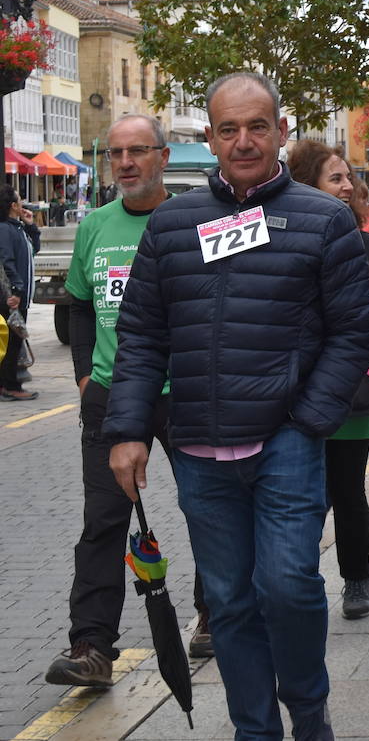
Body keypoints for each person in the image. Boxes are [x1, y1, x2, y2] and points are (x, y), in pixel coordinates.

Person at [104, 72, 369, 741]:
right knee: (227, 601)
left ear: (283, 132)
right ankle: (255, 730)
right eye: (229, 128)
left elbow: (353, 332)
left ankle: (308, 713)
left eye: (258, 126)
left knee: (288, 585)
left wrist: (309, 419)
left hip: (285, 441)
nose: (244, 140)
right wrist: (128, 428)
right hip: (199, 449)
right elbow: (141, 334)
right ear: (211, 138)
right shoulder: (172, 223)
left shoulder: (323, 219)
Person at [45, 115, 212, 688]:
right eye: (115, 153)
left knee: (207, 508)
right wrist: (86, 379)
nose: (124, 163)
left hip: (186, 390)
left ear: (164, 156)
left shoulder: (192, 221)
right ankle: (91, 646)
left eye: (138, 150)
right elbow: (79, 305)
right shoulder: (95, 225)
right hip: (112, 397)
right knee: (103, 522)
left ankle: (214, 613)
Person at [288, 141, 369, 622]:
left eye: (348, 178)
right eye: (335, 178)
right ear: (306, 185)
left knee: (349, 491)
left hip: (353, 397)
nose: (348, 186)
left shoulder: (368, 247)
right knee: (301, 497)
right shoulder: (287, 244)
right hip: (295, 399)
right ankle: (296, 581)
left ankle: (357, 579)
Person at [0, 184, 40, 400]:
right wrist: (16, 290)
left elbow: (35, 248)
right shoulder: (5, 229)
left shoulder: (18, 228)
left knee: (13, 341)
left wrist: (31, 225)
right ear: (13, 205)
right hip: (12, 298)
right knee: (13, 343)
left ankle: (6, 383)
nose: (23, 202)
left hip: (20, 296)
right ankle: (10, 386)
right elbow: (7, 262)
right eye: (20, 199)